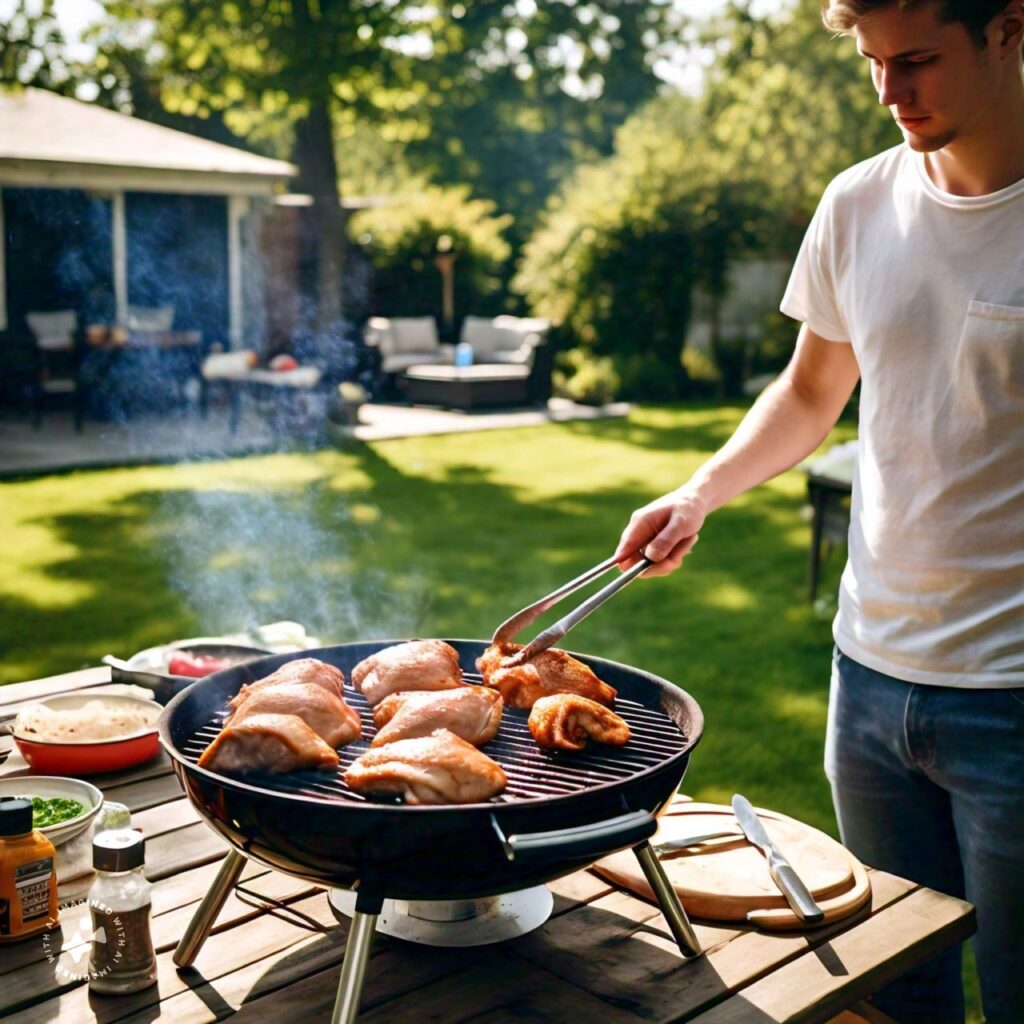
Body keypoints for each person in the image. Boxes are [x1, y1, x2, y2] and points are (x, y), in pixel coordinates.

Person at [614, 2, 1024, 1022]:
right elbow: (809, 391)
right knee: (894, 999)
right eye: (872, 63)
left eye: (919, 60)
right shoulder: (858, 203)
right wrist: (698, 490)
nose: (892, 93)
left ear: (1010, 28)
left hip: (1013, 701)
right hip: (870, 691)